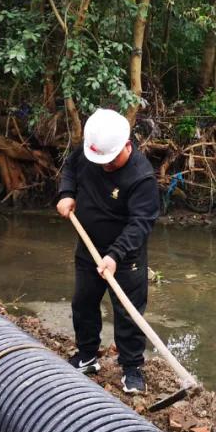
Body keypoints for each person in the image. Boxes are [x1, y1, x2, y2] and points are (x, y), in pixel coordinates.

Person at [56, 109, 159, 394]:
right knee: (83, 302)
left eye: (112, 161)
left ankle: (132, 368)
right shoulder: (90, 153)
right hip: (88, 247)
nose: (107, 166)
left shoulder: (142, 177)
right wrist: (66, 193)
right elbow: (70, 168)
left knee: (128, 313)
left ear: (127, 144)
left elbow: (140, 225)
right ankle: (87, 355)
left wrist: (114, 256)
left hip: (126, 257)